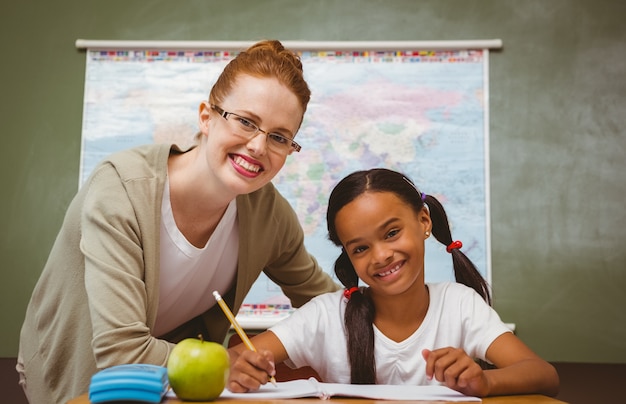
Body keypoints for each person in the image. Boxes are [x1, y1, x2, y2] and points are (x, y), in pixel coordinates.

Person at [17, 39, 339, 404]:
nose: (258, 147)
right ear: (206, 116)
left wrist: (413, 334)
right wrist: (224, 363)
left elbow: (327, 304)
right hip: (75, 374)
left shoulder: (270, 215)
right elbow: (120, 350)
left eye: (280, 137)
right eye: (246, 121)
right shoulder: (121, 190)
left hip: (172, 387)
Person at [227, 168, 560, 398]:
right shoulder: (326, 315)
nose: (381, 255)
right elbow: (233, 358)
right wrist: (239, 368)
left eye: (391, 233)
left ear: (424, 221)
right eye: (360, 248)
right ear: (348, 255)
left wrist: (483, 381)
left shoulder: (459, 304)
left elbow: (543, 375)